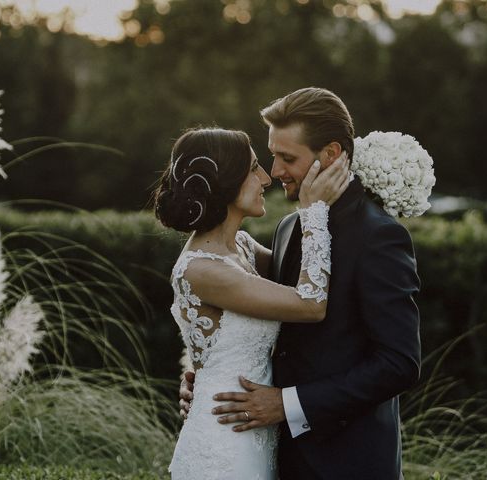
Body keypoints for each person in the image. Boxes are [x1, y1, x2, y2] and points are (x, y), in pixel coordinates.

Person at [180, 88, 422, 479]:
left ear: (330, 155)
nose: (274, 172)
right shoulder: (290, 227)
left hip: (348, 464)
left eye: (287, 158)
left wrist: (288, 405)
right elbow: (238, 311)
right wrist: (205, 378)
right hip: (273, 454)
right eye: (272, 155)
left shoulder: (379, 236)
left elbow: (400, 364)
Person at [155, 127, 350, 479]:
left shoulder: (241, 248)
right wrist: (315, 212)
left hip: (256, 429)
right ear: (225, 181)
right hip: (224, 439)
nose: (265, 178)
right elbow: (310, 303)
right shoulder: (203, 270)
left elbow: (301, 276)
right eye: (253, 168)